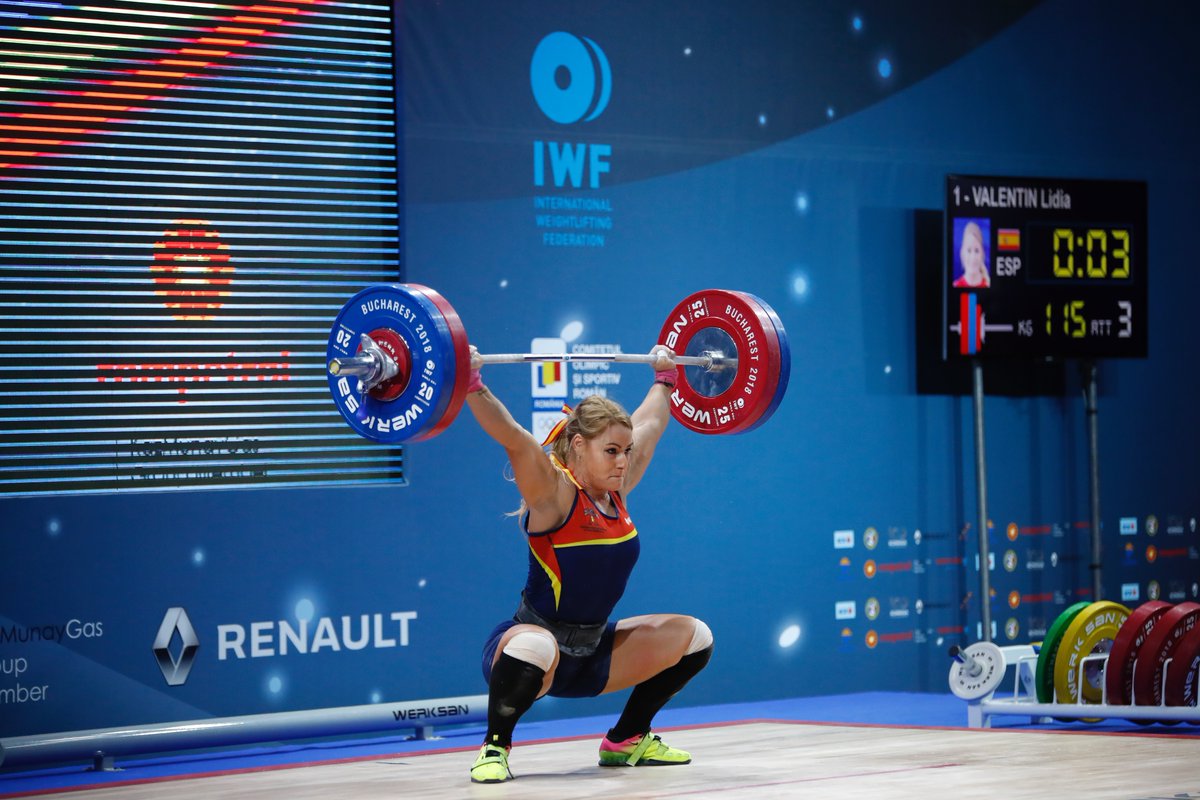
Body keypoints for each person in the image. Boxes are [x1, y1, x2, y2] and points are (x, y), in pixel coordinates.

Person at [462, 344, 714, 784]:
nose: (623, 461)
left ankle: (627, 739)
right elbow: (515, 439)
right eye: (612, 450)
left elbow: (651, 422)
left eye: (625, 450)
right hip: (530, 653)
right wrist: (470, 384)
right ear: (579, 445)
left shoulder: (617, 490)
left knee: (695, 637)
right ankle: (494, 747)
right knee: (536, 646)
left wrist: (666, 378)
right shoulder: (555, 495)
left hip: (593, 654)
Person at [953, 220, 991, 288]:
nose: (973, 257)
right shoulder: (955, 286)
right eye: (969, 250)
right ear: (962, 253)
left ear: (982, 253)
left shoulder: (988, 285)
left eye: (976, 251)